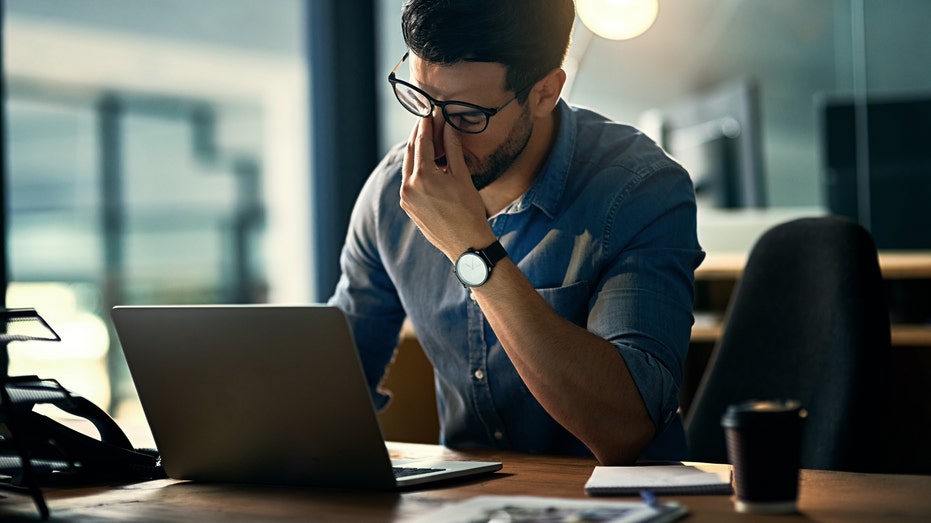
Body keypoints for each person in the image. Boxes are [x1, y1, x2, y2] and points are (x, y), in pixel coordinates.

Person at [328, 0, 704, 465]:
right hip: (464, 502)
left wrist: (471, 249)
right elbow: (332, 383)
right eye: (420, 100)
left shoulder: (638, 189)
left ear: (545, 91)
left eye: (467, 116)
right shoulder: (392, 193)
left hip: (619, 507)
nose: (433, 137)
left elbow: (626, 428)